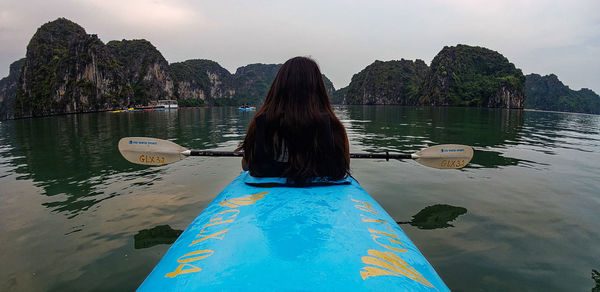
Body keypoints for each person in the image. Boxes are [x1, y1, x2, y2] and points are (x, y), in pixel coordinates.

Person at [237, 56, 350, 183]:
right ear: (319, 90)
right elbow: (343, 166)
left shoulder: (260, 124)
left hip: (268, 194)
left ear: (277, 88)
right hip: (322, 197)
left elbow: (246, 166)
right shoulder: (334, 128)